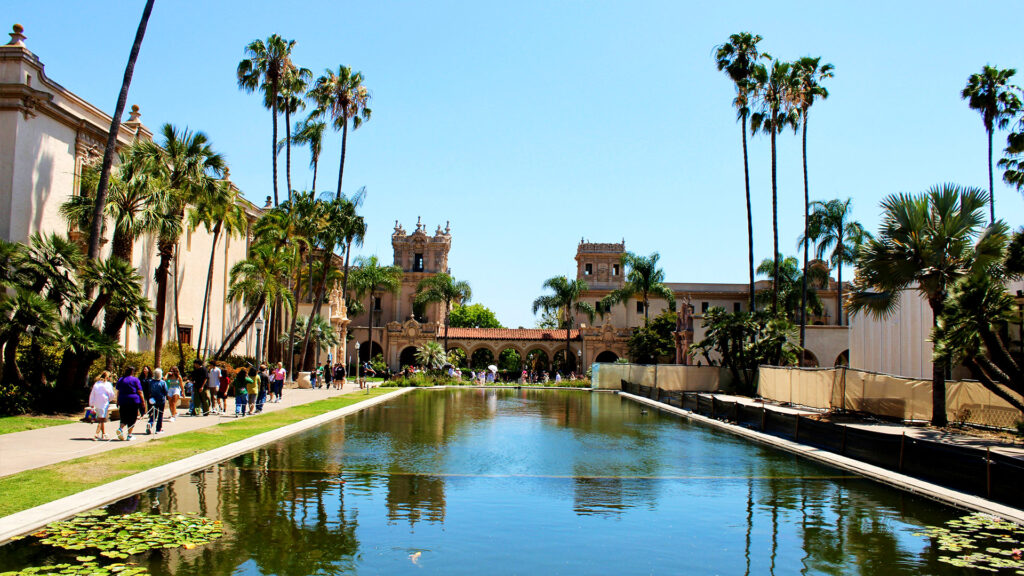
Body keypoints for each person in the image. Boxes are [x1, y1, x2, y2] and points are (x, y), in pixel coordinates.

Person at [114, 367, 144, 441]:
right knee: (132, 418)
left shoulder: (121, 379)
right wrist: (142, 401)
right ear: (132, 372)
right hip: (133, 400)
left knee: (124, 416)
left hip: (123, 400)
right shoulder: (135, 380)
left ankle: (121, 429)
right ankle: (129, 435)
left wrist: (117, 401)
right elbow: (139, 391)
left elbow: (118, 391)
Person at [88, 371, 116, 441]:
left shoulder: (96, 384)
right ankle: (96, 434)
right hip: (104, 403)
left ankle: (103, 433)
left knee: (101, 417)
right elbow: (111, 395)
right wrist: (109, 400)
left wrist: (91, 404)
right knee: (101, 419)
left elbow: (92, 394)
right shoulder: (108, 385)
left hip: (97, 403)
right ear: (107, 377)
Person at [146, 368, 168, 434]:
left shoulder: (151, 382)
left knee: (154, 413)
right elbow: (166, 391)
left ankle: (150, 423)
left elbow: (149, 390)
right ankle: (158, 429)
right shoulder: (162, 382)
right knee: (160, 414)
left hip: (153, 400)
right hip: (161, 400)